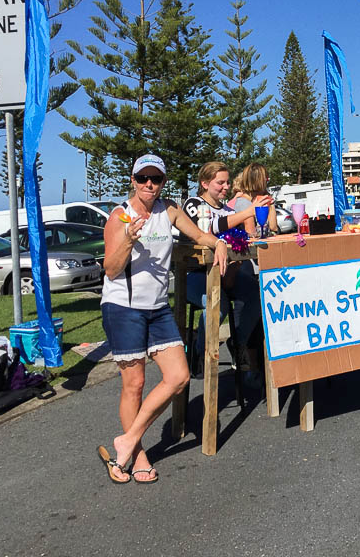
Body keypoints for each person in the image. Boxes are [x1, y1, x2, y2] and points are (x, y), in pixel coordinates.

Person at [98, 154, 228, 484]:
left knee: (179, 376)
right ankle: (138, 455)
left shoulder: (168, 210)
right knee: (135, 384)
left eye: (155, 179)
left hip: (157, 308)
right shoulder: (119, 216)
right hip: (123, 307)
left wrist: (220, 244)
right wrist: (128, 240)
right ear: (133, 180)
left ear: (162, 183)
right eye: (143, 178)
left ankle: (126, 441)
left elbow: (198, 236)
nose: (149, 185)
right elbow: (111, 269)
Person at [182, 161, 271, 384]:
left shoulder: (228, 210)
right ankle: (201, 352)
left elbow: (242, 238)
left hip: (225, 271)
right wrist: (249, 212)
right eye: (219, 182)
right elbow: (208, 229)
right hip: (196, 274)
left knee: (256, 295)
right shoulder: (194, 204)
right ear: (204, 183)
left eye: (227, 182)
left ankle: (238, 341)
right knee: (217, 304)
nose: (225, 186)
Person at [228, 163, 280, 375]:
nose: (268, 182)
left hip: (262, 263)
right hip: (246, 266)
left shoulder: (259, 200)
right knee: (256, 310)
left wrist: (271, 206)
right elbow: (253, 234)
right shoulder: (243, 203)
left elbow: (274, 228)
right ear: (258, 179)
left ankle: (260, 367)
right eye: (265, 179)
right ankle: (245, 353)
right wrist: (260, 209)